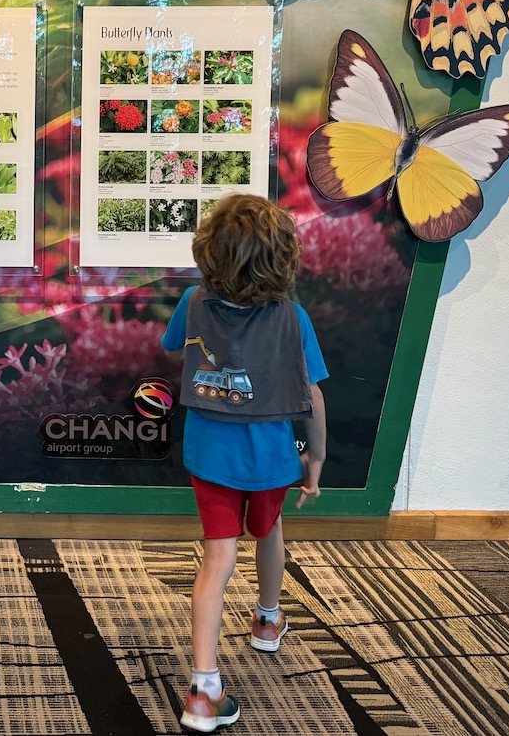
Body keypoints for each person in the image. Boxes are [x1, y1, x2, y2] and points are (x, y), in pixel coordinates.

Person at [161, 194, 327, 732]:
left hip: (209, 456)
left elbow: (174, 350)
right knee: (270, 526)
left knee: (217, 560)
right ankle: (267, 619)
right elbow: (313, 396)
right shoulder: (293, 316)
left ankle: (203, 690)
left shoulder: (192, 301)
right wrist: (316, 458)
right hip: (272, 459)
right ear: (282, 259)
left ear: (210, 251)